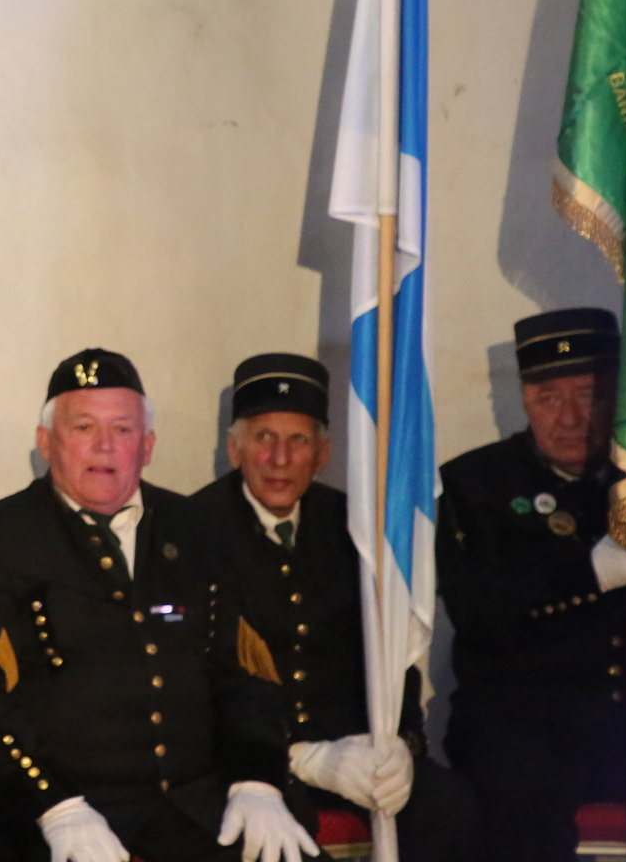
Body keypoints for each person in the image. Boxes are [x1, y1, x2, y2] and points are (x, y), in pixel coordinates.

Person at [0, 349, 316, 862]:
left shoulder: (199, 529)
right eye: (83, 427)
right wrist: (54, 806)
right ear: (46, 443)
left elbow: (243, 678)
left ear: (148, 446)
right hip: (64, 813)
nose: (104, 445)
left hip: (197, 805)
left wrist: (257, 781)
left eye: (122, 429)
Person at [190, 353, 477, 862]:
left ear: (322, 454)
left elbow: (392, 644)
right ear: (235, 449)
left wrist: (401, 742)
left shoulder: (356, 528)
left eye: (298, 441)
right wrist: (300, 758)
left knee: (451, 808)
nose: (280, 459)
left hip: (355, 753)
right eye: (264, 437)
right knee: (275, 839)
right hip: (249, 761)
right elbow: (189, 679)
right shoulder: (190, 529)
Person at [437, 307, 626, 862]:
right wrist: (592, 573)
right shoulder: (471, 486)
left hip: (622, 719)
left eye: (588, 395)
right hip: (523, 723)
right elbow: (478, 609)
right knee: (520, 789)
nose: (570, 417)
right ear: (524, 399)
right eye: (549, 398)